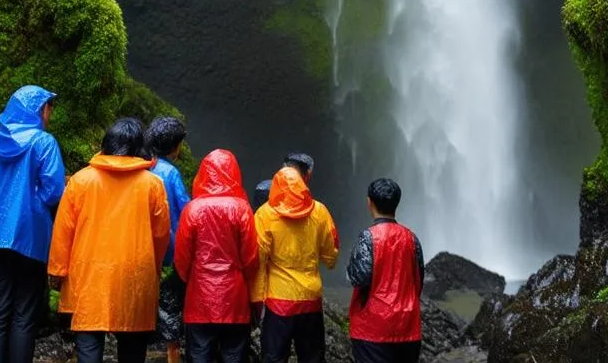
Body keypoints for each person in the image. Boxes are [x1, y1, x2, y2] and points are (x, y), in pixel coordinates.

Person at [48, 117, 169, 363]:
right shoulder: (153, 185)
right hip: (135, 276)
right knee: (133, 346)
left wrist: (57, 271)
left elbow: (63, 231)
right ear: (138, 148)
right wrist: (154, 267)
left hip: (89, 276)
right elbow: (160, 235)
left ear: (106, 144)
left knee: (89, 344)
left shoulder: (81, 181)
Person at [0, 86, 66, 363]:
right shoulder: (44, 143)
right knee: (25, 313)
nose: (50, 114)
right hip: (31, 236)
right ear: (37, 110)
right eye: (48, 107)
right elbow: (53, 192)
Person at [174, 149, 258, 363]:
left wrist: (192, 279)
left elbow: (182, 258)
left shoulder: (192, 209)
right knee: (234, 355)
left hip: (200, 295)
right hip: (234, 296)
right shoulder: (242, 209)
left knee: (199, 354)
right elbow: (251, 258)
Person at [251, 165, 339, 363]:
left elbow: (258, 260)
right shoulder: (319, 211)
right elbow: (331, 256)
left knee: (273, 357)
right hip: (311, 299)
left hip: (278, 301)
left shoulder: (265, 214)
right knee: (312, 357)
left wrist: (257, 300)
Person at [346, 179, 425, 363]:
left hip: (372, 329)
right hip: (407, 326)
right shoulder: (412, 238)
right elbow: (418, 280)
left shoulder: (368, 237)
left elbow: (359, 278)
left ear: (369, 202)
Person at [145, 117, 191, 363]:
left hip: (143, 247)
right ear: (174, 146)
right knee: (170, 307)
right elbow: (185, 212)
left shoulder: (143, 165)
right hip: (170, 250)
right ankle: (172, 354)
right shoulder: (170, 173)